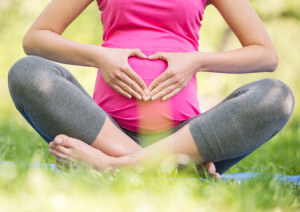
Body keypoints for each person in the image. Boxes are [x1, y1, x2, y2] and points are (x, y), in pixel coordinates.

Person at [7, 0, 295, 178]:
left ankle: (115, 167)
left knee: (276, 97)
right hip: (104, 132)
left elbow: (265, 54)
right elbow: (36, 38)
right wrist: (99, 56)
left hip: (186, 140)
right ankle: (167, 171)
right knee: (27, 71)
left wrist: (196, 61)